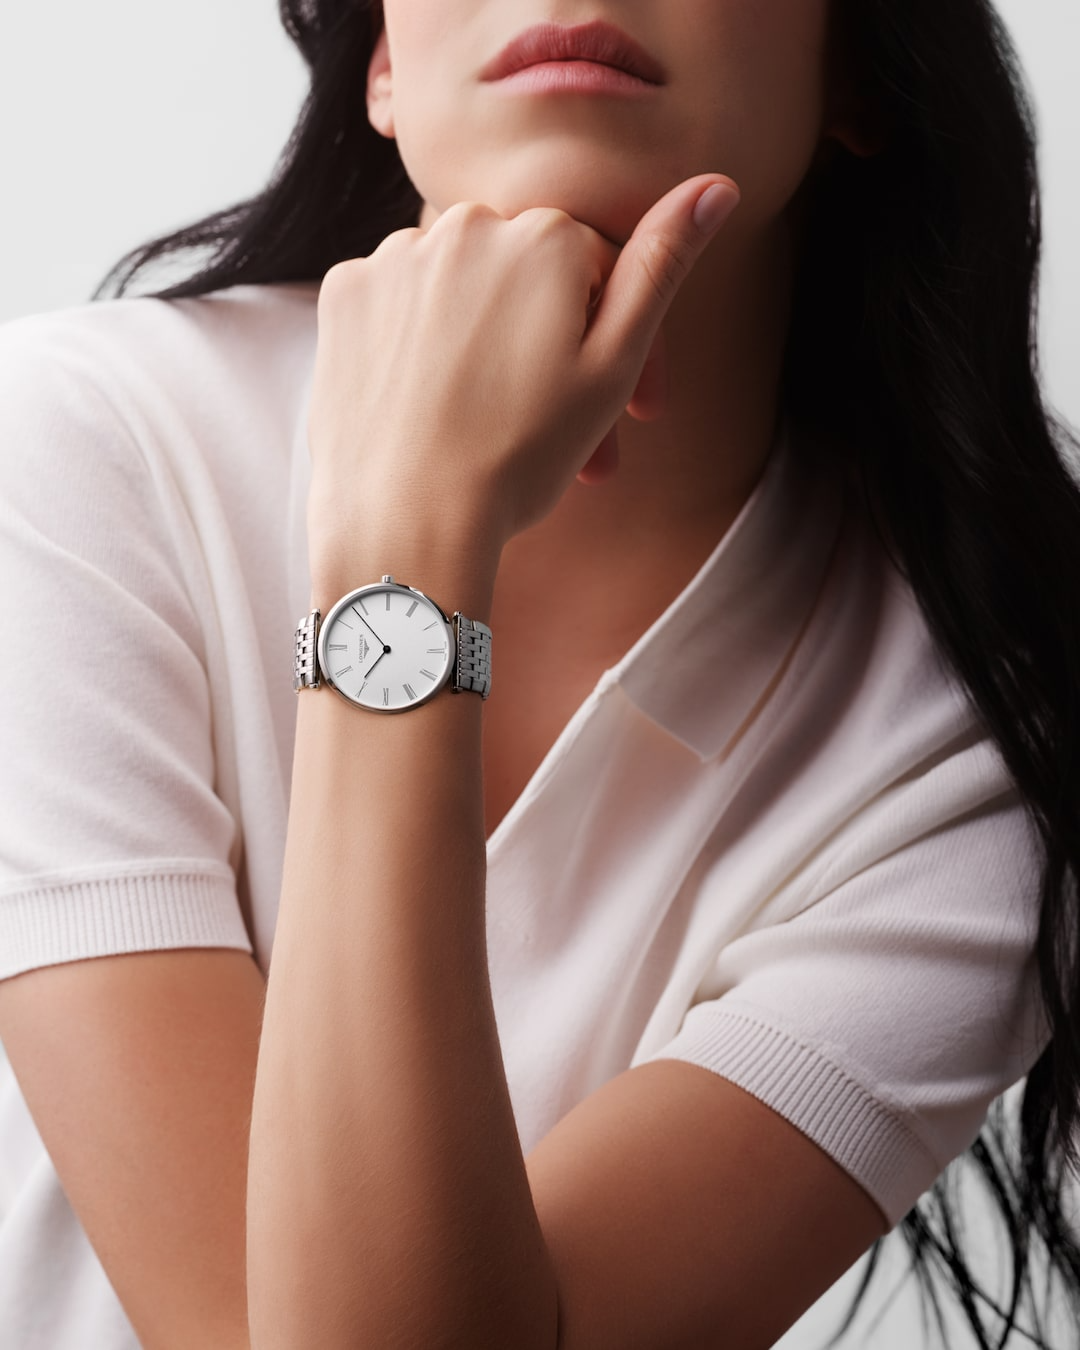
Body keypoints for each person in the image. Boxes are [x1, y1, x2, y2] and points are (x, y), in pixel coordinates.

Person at [1, 0, 1078, 1346]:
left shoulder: (977, 758)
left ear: (858, 72)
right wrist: (405, 539)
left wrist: (410, 554)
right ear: (387, 67)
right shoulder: (75, 459)